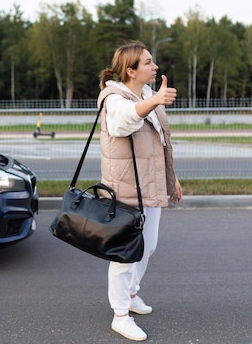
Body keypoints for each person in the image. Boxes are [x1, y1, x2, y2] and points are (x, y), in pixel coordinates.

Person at [97, 40, 182, 341]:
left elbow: (158, 144)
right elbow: (125, 121)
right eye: (148, 62)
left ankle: (131, 294)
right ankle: (120, 316)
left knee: (148, 246)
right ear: (130, 70)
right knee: (124, 254)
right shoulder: (113, 98)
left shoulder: (146, 93)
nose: (155, 66)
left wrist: (172, 179)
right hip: (125, 191)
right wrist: (156, 99)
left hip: (150, 185)